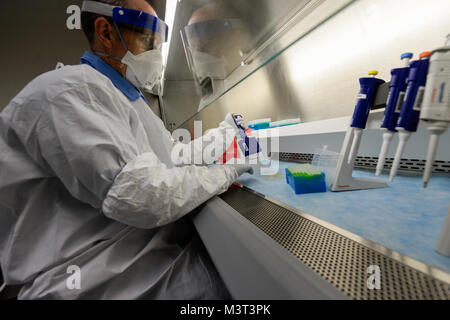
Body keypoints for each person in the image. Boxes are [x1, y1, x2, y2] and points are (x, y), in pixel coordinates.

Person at [0, 0, 252, 300]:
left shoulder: (126, 101)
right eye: (149, 40)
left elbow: (174, 157)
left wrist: (224, 134)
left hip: (137, 260)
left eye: (160, 43)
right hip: (99, 279)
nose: (156, 53)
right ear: (106, 32)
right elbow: (142, 195)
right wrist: (224, 173)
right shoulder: (70, 91)